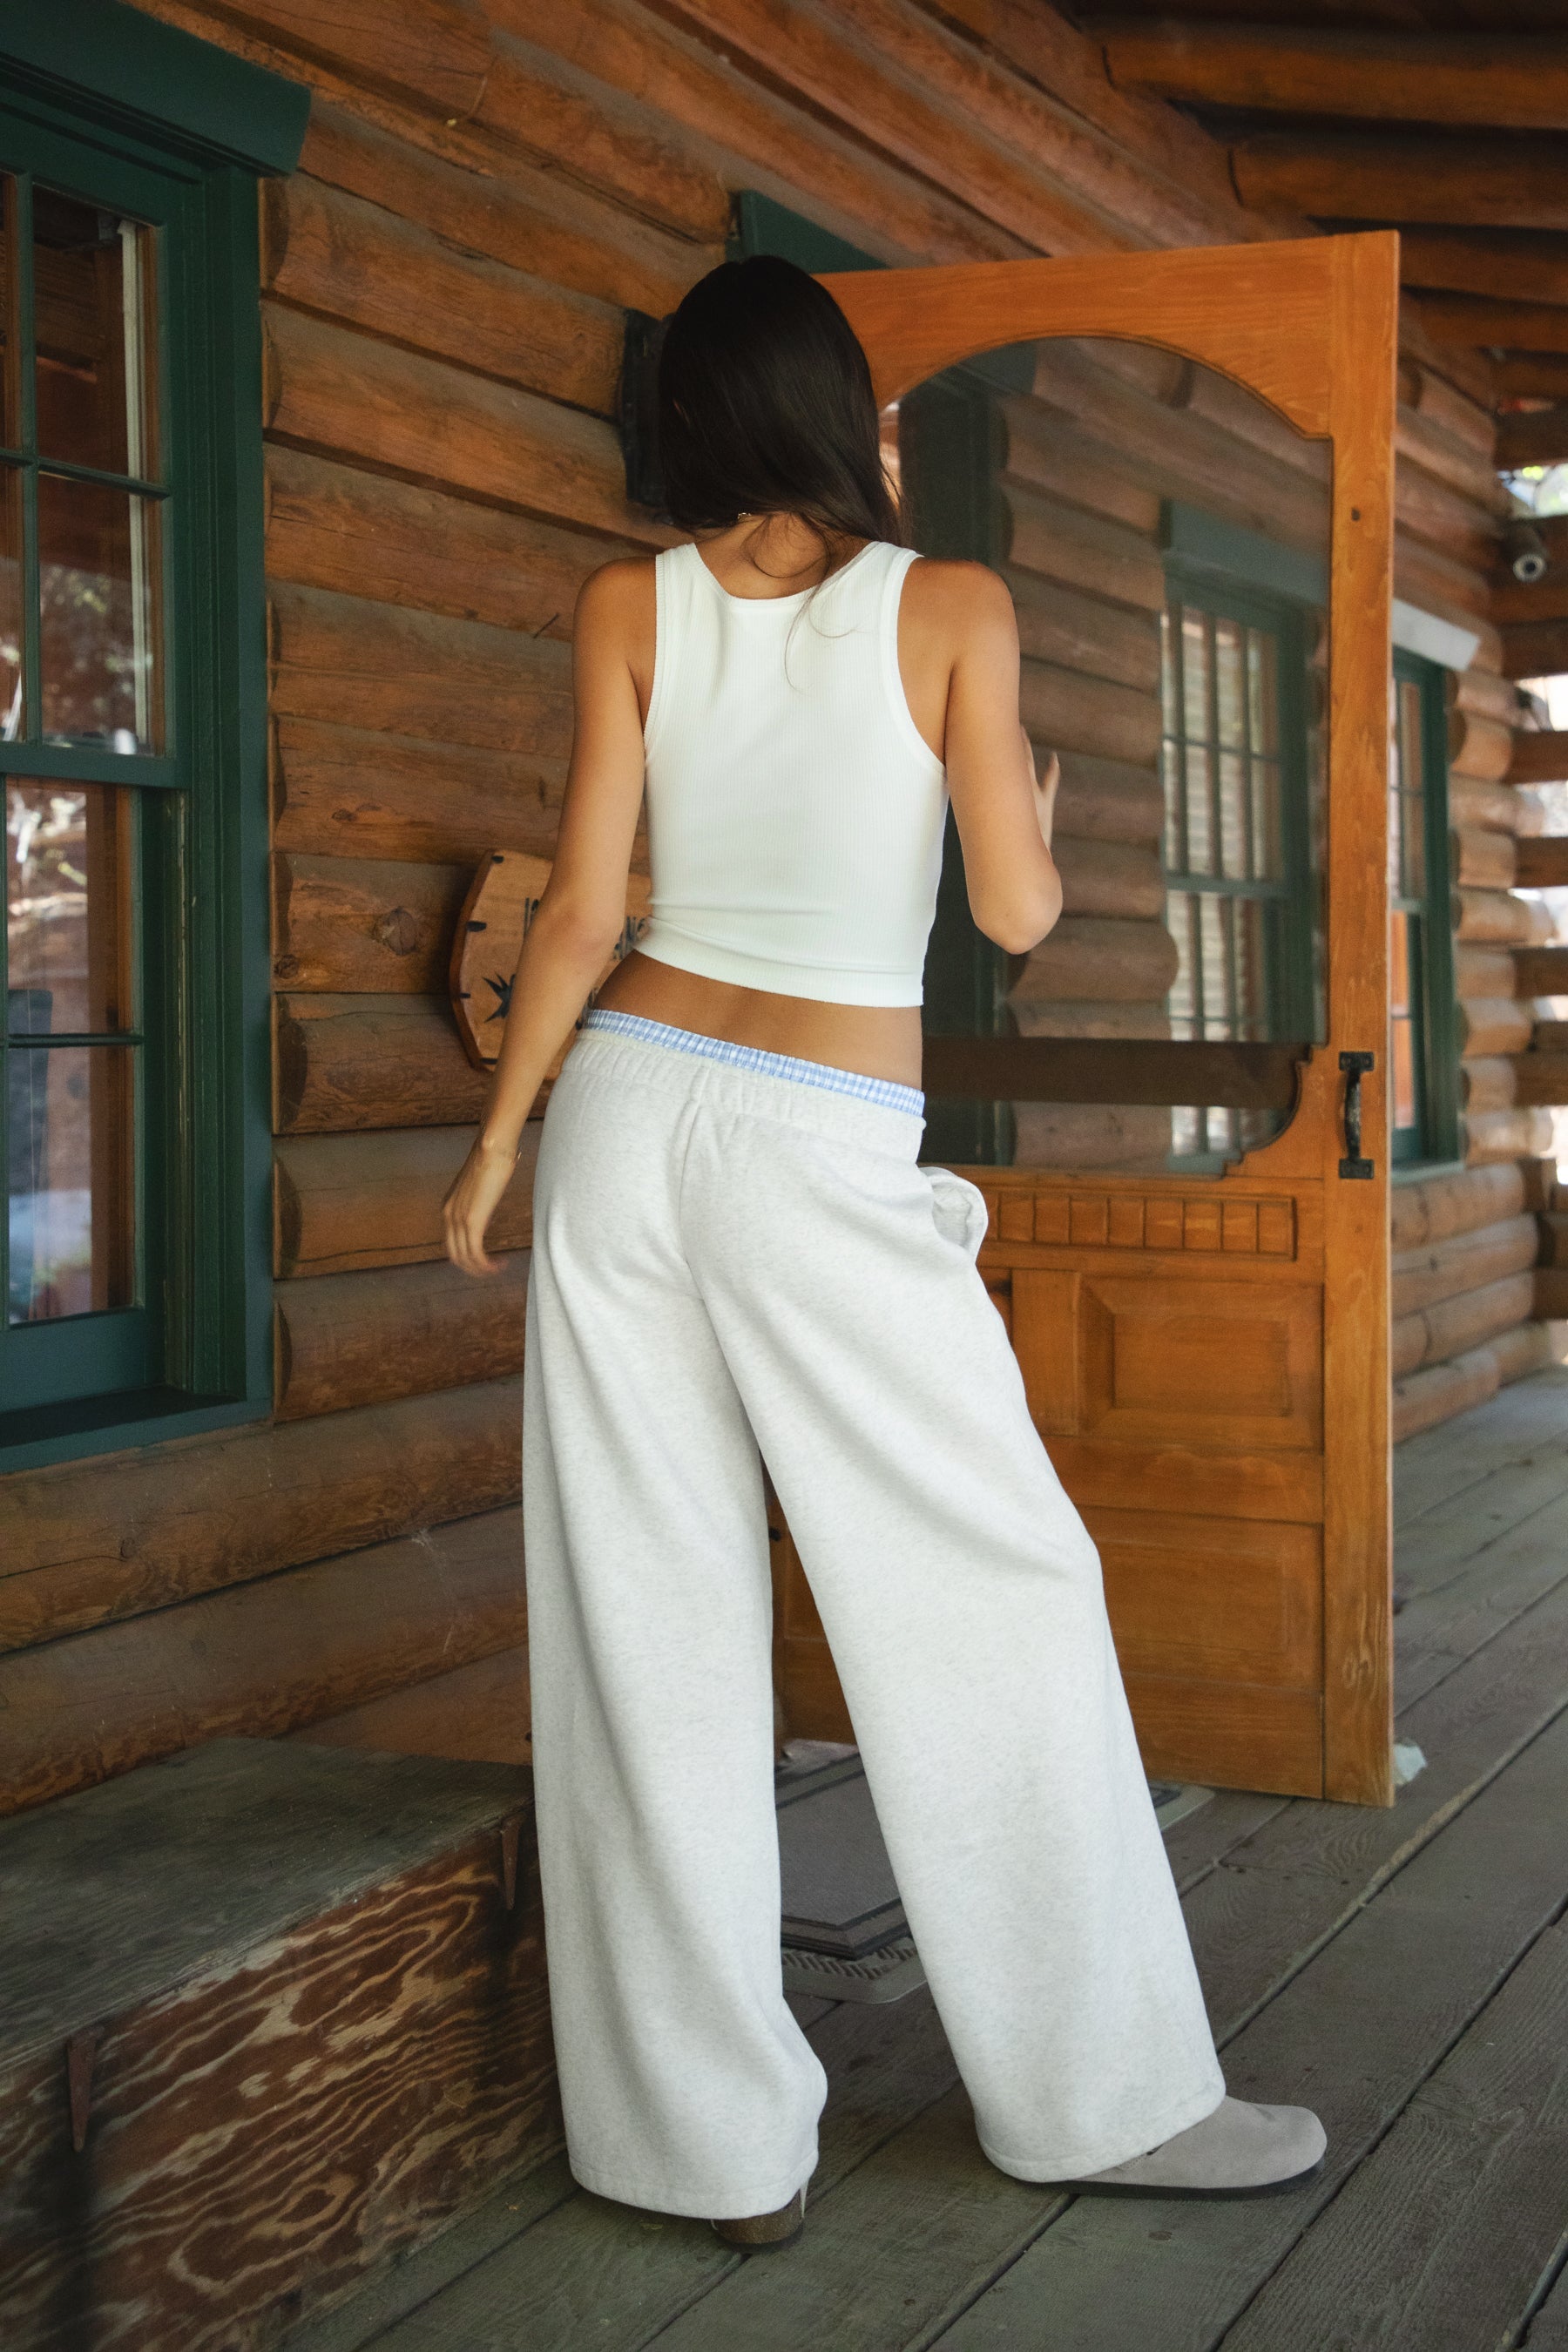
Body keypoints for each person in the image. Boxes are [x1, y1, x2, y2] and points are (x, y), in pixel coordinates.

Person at [443, 254, 1325, 2250]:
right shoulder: (954, 606)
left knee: (640, 1621)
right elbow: (1013, 915)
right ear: (851, 414)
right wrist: (1030, 809)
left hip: (620, 1117)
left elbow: (583, 912)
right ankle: (1104, 2098)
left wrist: (500, 1143)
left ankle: (698, 2150)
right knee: (995, 1584)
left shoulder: (626, 604)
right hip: (813, 1144)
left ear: (689, 416)